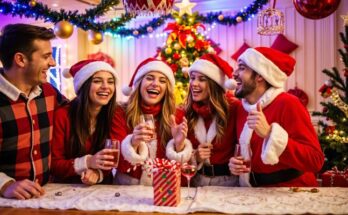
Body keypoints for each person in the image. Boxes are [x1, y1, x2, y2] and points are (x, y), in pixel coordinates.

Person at [228, 47, 324, 187]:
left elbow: (315, 161)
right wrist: (234, 165)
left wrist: (269, 134)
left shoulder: (288, 103)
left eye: (242, 68)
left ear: (260, 75)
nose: (234, 73)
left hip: (291, 192)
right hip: (252, 192)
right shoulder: (241, 108)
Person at [0, 24, 67, 199]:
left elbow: (77, 112)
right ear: (21, 60)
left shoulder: (48, 92)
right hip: (7, 204)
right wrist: (5, 184)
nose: (52, 63)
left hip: (45, 197)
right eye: (46, 56)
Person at [112, 58, 191, 185]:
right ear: (139, 83)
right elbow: (116, 163)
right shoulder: (120, 113)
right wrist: (133, 143)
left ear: (167, 88)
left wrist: (179, 145)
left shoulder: (177, 116)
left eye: (162, 80)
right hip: (128, 189)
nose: (155, 84)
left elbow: (183, 170)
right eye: (150, 78)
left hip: (164, 190)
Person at [173, 54, 241, 186]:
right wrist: (195, 157)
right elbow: (177, 157)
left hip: (228, 183)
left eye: (202, 79)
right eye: (192, 78)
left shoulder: (234, 108)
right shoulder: (185, 113)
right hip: (196, 182)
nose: (194, 84)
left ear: (214, 84)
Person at [51, 59, 119, 185]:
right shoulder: (63, 115)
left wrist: (98, 173)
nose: (105, 86)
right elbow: (54, 164)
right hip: (65, 189)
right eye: (97, 81)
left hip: (102, 189)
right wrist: (88, 162)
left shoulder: (114, 115)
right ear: (83, 85)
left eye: (110, 82)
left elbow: (113, 158)